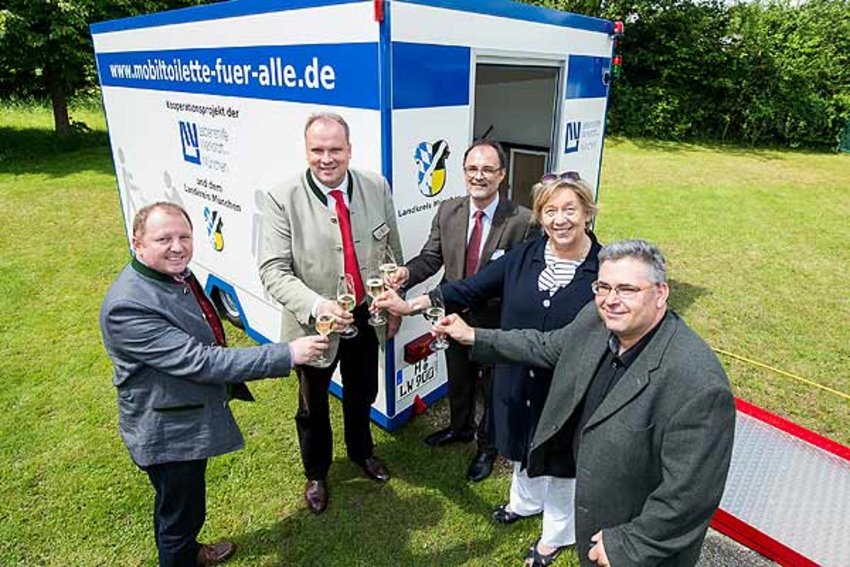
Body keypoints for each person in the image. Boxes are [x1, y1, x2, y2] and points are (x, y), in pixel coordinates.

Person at [436, 240, 736, 567]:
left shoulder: (698, 384)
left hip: (634, 548)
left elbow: (691, 494)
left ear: (661, 293)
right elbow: (546, 345)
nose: (610, 300)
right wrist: (474, 336)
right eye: (603, 286)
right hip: (593, 521)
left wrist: (627, 545)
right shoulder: (595, 320)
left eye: (627, 289)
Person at [376, 172, 601, 564]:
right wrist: (411, 305)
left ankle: (555, 533)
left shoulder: (603, 269)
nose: (560, 219)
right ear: (541, 217)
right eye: (550, 210)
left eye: (570, 210)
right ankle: (525, 502)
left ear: (587, 214)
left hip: (568, 384)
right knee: (519, 442)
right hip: (516, 373)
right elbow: (471, 286)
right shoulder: (526, 254)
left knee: (562, 458)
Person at [100, 203, 328, 567]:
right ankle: (182, 555)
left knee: (186, 506)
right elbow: (200, 361)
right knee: (178, 516)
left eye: (184, 236)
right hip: (168, 432)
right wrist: (287, 353)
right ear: (137, 243)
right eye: (164, 239)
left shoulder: (170, 276)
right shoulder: (128, 306)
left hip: (184, 416)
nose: (177, 246)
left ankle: (191, 552)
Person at [258, 112, 403, 514]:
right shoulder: (281, 197)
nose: (326, 158)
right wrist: (318, 305)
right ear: (306, 151)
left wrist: (393, 302)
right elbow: (273, 270)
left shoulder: (376, 185)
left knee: (362, 392)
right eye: (317, 150)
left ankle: (362, 451)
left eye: (335, 149)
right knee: (313, 403)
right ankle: (317, 472)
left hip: (364, 313)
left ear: (349, 150)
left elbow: (392, 250)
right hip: (314, 324)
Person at [389, 139, 532, 482]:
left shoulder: (523, 221)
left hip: (495, 323)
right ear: (464, 173)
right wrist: (407, 273)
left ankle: (487, 446)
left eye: (487, 170)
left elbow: (517, 279)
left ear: (501, 175)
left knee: (494, 387)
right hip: (451, 316)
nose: (478, 176)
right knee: (459, 377)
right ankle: (460, 428)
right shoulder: (448, 211)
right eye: (472, 169)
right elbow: (431, 258)